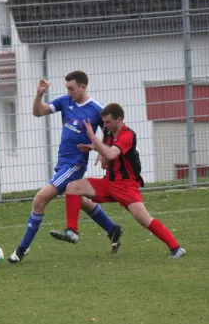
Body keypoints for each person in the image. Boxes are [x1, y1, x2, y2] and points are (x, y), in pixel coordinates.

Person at [8, 71, 123, 264]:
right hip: (63, 162)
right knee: (81, 200)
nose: (68, 92)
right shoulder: (65, 101)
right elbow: (38, 112)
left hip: (75, 164)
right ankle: (112, 229)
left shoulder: (97, 110)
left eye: (72, 88)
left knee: (39, 200)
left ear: (83, 87)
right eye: (67, 89)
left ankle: (22, 248)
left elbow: (111, 133)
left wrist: (103, 153)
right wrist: (39, 94)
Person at [50, 103, 186, 259]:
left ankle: (176, 249)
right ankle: (72, 231)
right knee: (73, 187)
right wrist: (94, 148)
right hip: (108, 182)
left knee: (144, 219)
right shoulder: (109, 132)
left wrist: (94, 140)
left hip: (126, 186)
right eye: (104, 122)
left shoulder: (127, 135)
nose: (105, 125)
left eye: (108, 122)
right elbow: (105, 160)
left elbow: (111, 154)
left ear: (119, 119)